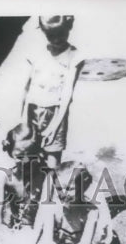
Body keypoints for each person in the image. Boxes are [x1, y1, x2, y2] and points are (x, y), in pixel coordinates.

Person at [20, 15, 83, 169]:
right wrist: (22, 118)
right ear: (43, 32)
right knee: (29, 156)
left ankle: (50, 188)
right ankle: (32, 189)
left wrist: (54, 126)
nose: (56, 39)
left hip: (54, 113)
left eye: (61, 34)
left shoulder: (73, 56)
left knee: (52, 157)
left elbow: (67, 95)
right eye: (50, 36)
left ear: (69, 28)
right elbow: (26, 87)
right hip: (32, 110)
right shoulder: (37, 53)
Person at [0, 123, 49, 244]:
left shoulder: (44, 177)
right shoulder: (6, 177)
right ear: (10, 152)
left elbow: (44, 217)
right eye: (19, 156)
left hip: (37, 229)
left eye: (30, 156)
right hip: (12, 227)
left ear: (37, 152)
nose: (24, 161)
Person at [28, 161, 112, 244]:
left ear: (81, 189)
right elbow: (47, 238)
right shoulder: (52, 208)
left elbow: (86, 243)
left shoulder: (90, 212)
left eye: (71, 189)